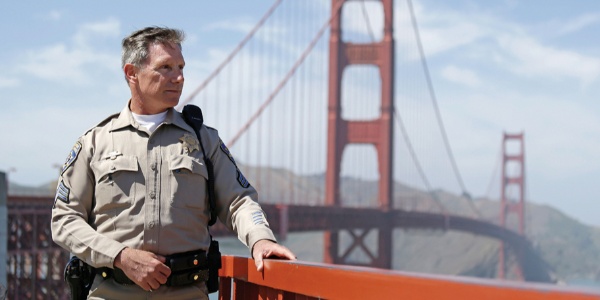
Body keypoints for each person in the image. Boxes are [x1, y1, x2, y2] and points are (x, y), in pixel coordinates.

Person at [51, 26, 295, 299]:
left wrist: (261, 238)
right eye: (165, 67)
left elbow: (239, 200)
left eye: (181, 67)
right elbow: (65, 220)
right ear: (132, 73)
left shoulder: (205, 140)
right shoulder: (94, 143)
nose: (179, 77)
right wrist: (120, 256)